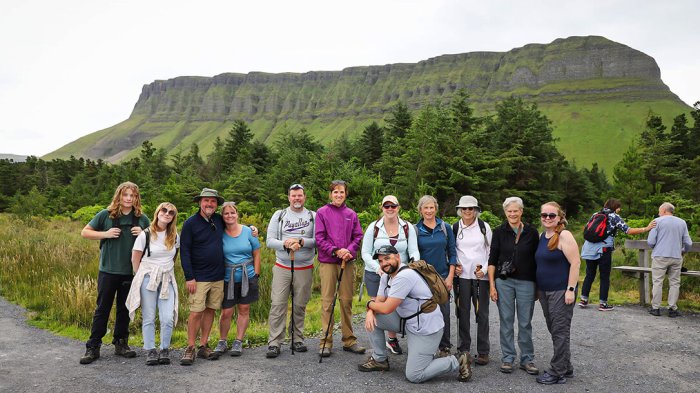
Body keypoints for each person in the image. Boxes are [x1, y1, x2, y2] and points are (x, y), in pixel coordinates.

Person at [361, 245, 472, 383]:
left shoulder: (405, 276)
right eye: (381, 261)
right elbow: (379, 303)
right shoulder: (387, 276)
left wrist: (368, 305)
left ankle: (456, 360)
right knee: (373, 318)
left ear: (398, 257)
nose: (384, 263)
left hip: (425, 329)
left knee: (414, 375)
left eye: (387, 258)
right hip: (407, 321)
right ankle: (379, 359)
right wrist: (371, 311)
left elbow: (386, 308)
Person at [79, 181, 149, 364]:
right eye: (125, 195)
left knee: (124, 309)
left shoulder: (142, 219)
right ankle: (93, 346)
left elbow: (155, 241)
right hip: (108, 271)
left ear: (136, 198)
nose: (128, 198)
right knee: (102, 308)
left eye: (132, 195)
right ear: (119, 196)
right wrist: (106, 234)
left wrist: (143, 233)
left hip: (130, 272)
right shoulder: (105, 215)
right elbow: (85, 233)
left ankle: (121, 343)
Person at [361, 195, 419, 356]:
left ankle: (393, 338)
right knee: (376, 308)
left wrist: (413, 265)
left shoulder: (407, 227)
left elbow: (413, 250)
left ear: (398, 208)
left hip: (399, 274)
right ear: (382, 208)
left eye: (393, 206)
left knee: (396, 304)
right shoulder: (374, 228)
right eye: (387, 206)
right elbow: (365, 252)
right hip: (375, 272)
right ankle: (378, 350)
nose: (390, 209)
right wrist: (376, 267)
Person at [487, 196, 539, 375]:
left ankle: (527, 359)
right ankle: (508, 358)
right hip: (504, 283)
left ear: (521, 211)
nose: (512, 214)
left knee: (525, 322)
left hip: (527, 282)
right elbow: (492, 260)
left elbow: (537, 260)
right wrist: (492, 286)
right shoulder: (499, 231)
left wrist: (537, 286)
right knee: (506, 321)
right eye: (509, 211)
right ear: (505, 212)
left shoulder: (532, 232)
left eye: (516, 210)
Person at [315, 179, 366, 357]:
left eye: (341, 192)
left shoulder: (351, 214)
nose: (338, 195)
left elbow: (358, 236)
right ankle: (326, 342)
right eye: (335, 192)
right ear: (330, 194)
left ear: (346, 194)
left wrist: (348, 251)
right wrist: (336, 251)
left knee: (346, 301)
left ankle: (349, 339)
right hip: (329, 262)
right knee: (328, 302)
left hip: (347, 262)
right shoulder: (322, 213)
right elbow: (319, 238)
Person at [265, 184, 316, 358]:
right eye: (293, 196)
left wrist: (302, 242)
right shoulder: (279, 215)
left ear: (304, 197)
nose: (297, 199)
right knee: (278, 304)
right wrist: (285, 244)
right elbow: (270, 241)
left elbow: (318, 240)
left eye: (300, 196)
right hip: (282, 266)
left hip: (305, 267)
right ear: (288, 197)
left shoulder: (313, 216)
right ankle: (275, 342)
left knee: (300, 304)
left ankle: (297, 338)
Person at [126, 202, 180, 365]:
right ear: (157, 213)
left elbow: (174, 256)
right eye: (164, 210)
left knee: (167, 317)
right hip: (148, 278)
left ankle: (164, 349)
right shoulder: (146, 235)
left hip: (166, 279)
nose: (167, 213)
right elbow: (135, 258)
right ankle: (150, 350)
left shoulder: (175, 236)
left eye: (171, 212)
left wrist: (166, 270)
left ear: (173, 217)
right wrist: (140, 276)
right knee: (149, 317)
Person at [580, 198, 656, 311]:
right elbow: (628, 230)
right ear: (616, 208)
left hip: (589, 249)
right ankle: (603, 303)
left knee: (589, 274)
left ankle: (583, 299)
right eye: (619, 207)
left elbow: (587, 228)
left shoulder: (595, 214)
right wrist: (647, 228)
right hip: (604, 249)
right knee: (604, 276)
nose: (620, 210)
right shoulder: (614, 216)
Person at [534, 202, 580, 385]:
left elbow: (576, 263)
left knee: (560, 330)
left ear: (559, 217)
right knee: (555, 329)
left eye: (551, 215)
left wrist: (570, 289)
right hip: (545, 291)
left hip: (561, 291)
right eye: (544, 215)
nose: (547, 218)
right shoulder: (542, 236)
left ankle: (557, 371)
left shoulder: (565, 235)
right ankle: (566, 367)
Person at [179, 188, 226, 365]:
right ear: (200, 202)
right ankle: (190, 346)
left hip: (218, 275)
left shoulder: (219, 220)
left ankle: (203, 345)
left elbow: (235, 225)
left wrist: (252, 229)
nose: (209, 204)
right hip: (198, 277)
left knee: (211, 310)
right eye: (206, 201)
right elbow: (184, 251)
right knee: (196, 312)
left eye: (213, 201)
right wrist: (189, 277)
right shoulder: (190, 223)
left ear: (216, 205)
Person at [213, 202, 261, 357]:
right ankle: (222, 340)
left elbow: (257, 253)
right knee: (226, 311)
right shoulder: (219, 232)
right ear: (222, 216)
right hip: (228, 277)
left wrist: (257, 274)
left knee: (244, 309)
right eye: (226, 213)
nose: (230, 216)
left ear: (237, 214)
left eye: (232, 213)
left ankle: (238, 341)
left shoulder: (248, 231)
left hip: (248, 275)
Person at [414, 195, 456, 358]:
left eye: (432, 207)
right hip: (422, 278)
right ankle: (426, 346)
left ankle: (444, 347)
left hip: (443, 277)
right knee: (425, 312)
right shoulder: (415, 230)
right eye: (426, 208)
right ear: (421, 210)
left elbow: (452, 253)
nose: (429, 211)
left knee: (444, 313)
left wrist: (450, 277)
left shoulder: (445, 228)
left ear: (436, 208)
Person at [452, 195, 492, 366]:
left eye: (471, 208)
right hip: (461, 277)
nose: (467, 211)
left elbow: (491, 251)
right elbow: (451, 250)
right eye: (464, 208)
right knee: (462, 312)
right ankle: (464, 348)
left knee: (481, 313)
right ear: (460, 210)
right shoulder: (454, 228)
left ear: (476, 210)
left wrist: (484, 269)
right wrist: (455, 265)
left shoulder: (484, 227)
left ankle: (483, 351)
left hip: (480, 277)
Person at [647, 202, 693, 317]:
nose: (658, 213)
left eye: (659, 211)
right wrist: (683, 251)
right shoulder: (682, 222)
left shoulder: (657, 221)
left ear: (663, 211)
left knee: (658, 282)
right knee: (675, 283)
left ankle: (656, 308)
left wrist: (656, 248)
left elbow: (651, 241)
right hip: (676, 257)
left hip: (660, 256)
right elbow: (688, 243)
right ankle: (672, 309)